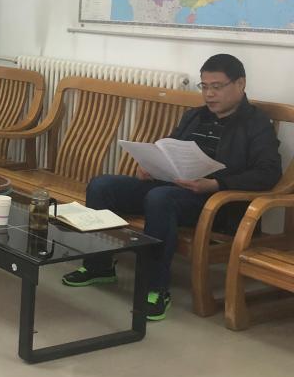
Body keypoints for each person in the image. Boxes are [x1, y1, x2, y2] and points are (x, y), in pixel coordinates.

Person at [61, 54, 281, 320]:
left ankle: (155, 288)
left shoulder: (256, 124)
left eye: (217, 87)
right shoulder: (195, 116)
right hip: (171, 187)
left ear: (240, 84)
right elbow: (170, 149)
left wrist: (215, 183)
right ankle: (99, 266)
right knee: (101, 185)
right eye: (204, 86)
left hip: (214, 201)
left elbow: (268, 172)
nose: (209, 94)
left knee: (160, 198)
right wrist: (151, 165)